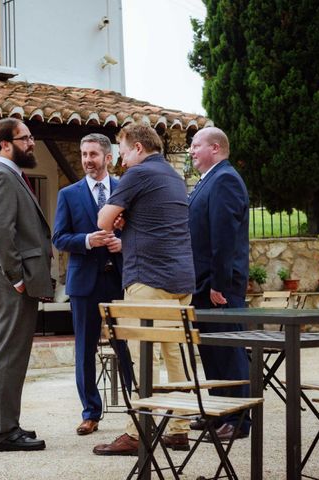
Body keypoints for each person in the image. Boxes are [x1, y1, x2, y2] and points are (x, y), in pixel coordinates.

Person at [93, 124, 196, 456]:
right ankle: (179, 428)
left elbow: (102, 221)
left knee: (142, 355)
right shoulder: (173, 176)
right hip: (181, 278)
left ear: (138, 147)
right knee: (177, 355)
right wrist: (129, 218)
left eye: (122, 151)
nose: (121, 159)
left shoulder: (137, 175)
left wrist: (118, 215)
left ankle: (137, 432)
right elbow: (155, 221)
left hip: (148, 278)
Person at [0, 118, 54, 452]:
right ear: (5, 144)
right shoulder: (0, 177)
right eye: (25, 138)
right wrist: (18, 278)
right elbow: (1, 232)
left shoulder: (10, 175)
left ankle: (6, 424)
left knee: (13, 355)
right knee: (8, 355)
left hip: (15, 281)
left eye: (31, 137)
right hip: (11, 282)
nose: (32, 143)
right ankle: (3, 432)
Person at [52, 133, 132, 436]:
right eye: (84, 154)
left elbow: (137, 230)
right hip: (84, 284)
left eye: (93, 155)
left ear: (108, 158)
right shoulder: (68, 194)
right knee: (84, 349)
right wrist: (87, 240)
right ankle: (90, 413)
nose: (87, 160)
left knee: (126, 346)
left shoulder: (125, 189)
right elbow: (59, 238)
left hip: (120, 281)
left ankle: (134, 406)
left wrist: (121, 243)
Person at [187, 126, 251, 441]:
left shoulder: (225, 179)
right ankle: (220, 411)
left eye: (195, 145)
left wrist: (219, 284)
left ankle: (239, 419)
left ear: (215, 147)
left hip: (219, 285)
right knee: (211, 350)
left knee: (229, 350)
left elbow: (224, 238)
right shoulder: (209, 180)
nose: (190, 150)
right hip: (203, 283)